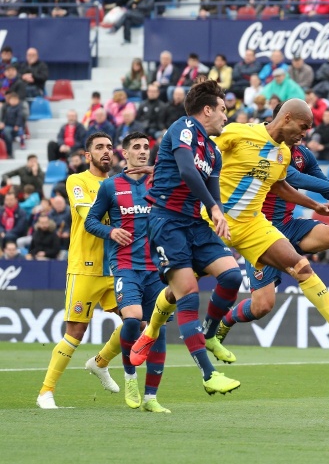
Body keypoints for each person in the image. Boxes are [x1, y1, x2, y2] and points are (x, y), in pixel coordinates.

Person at [212, 130, 329, 355]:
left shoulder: (303, 155)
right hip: (259, 233)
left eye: (307, 127)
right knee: (262, 306)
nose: (304, 132)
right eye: (301, 126)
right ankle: (226, 321)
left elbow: (324, 185)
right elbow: (293, 178)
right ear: (286, 121)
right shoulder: (266, 151)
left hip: (289, 225)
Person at [127, 80, 243, 395]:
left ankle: (208, 333)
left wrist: (219, 214)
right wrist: (213, 209)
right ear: (207, 110)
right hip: (166, 222)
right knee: (188, 293)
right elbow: (187, 171)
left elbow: (214, 193)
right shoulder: (184, 127)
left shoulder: (214, 153)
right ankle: (208, 375)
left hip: (194, 224)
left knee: (232, 275)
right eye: (222, 109)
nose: (226, 117)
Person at [83, 132, 171, 413]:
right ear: (125, 153)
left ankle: (151, 398)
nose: (143, 151)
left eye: (146, 147)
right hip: (125, 265)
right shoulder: (111, 186)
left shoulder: (159, 181)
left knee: (157, 330)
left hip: (157, 268)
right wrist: (111, 231)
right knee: (132, 320)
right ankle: (130, 377)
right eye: (137, 147)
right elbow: (90, 221)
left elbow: (187, 178)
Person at [36, 133, 124, 409]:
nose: (106, 151)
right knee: (75, 331)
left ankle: (100, 362)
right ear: (88, 155)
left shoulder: (119, 184)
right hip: (85, 267)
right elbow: (89, 217)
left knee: (138, 322)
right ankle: (46, 392)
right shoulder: (77, 180)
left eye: (109, 147)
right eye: (99, 147)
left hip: (114, 267)